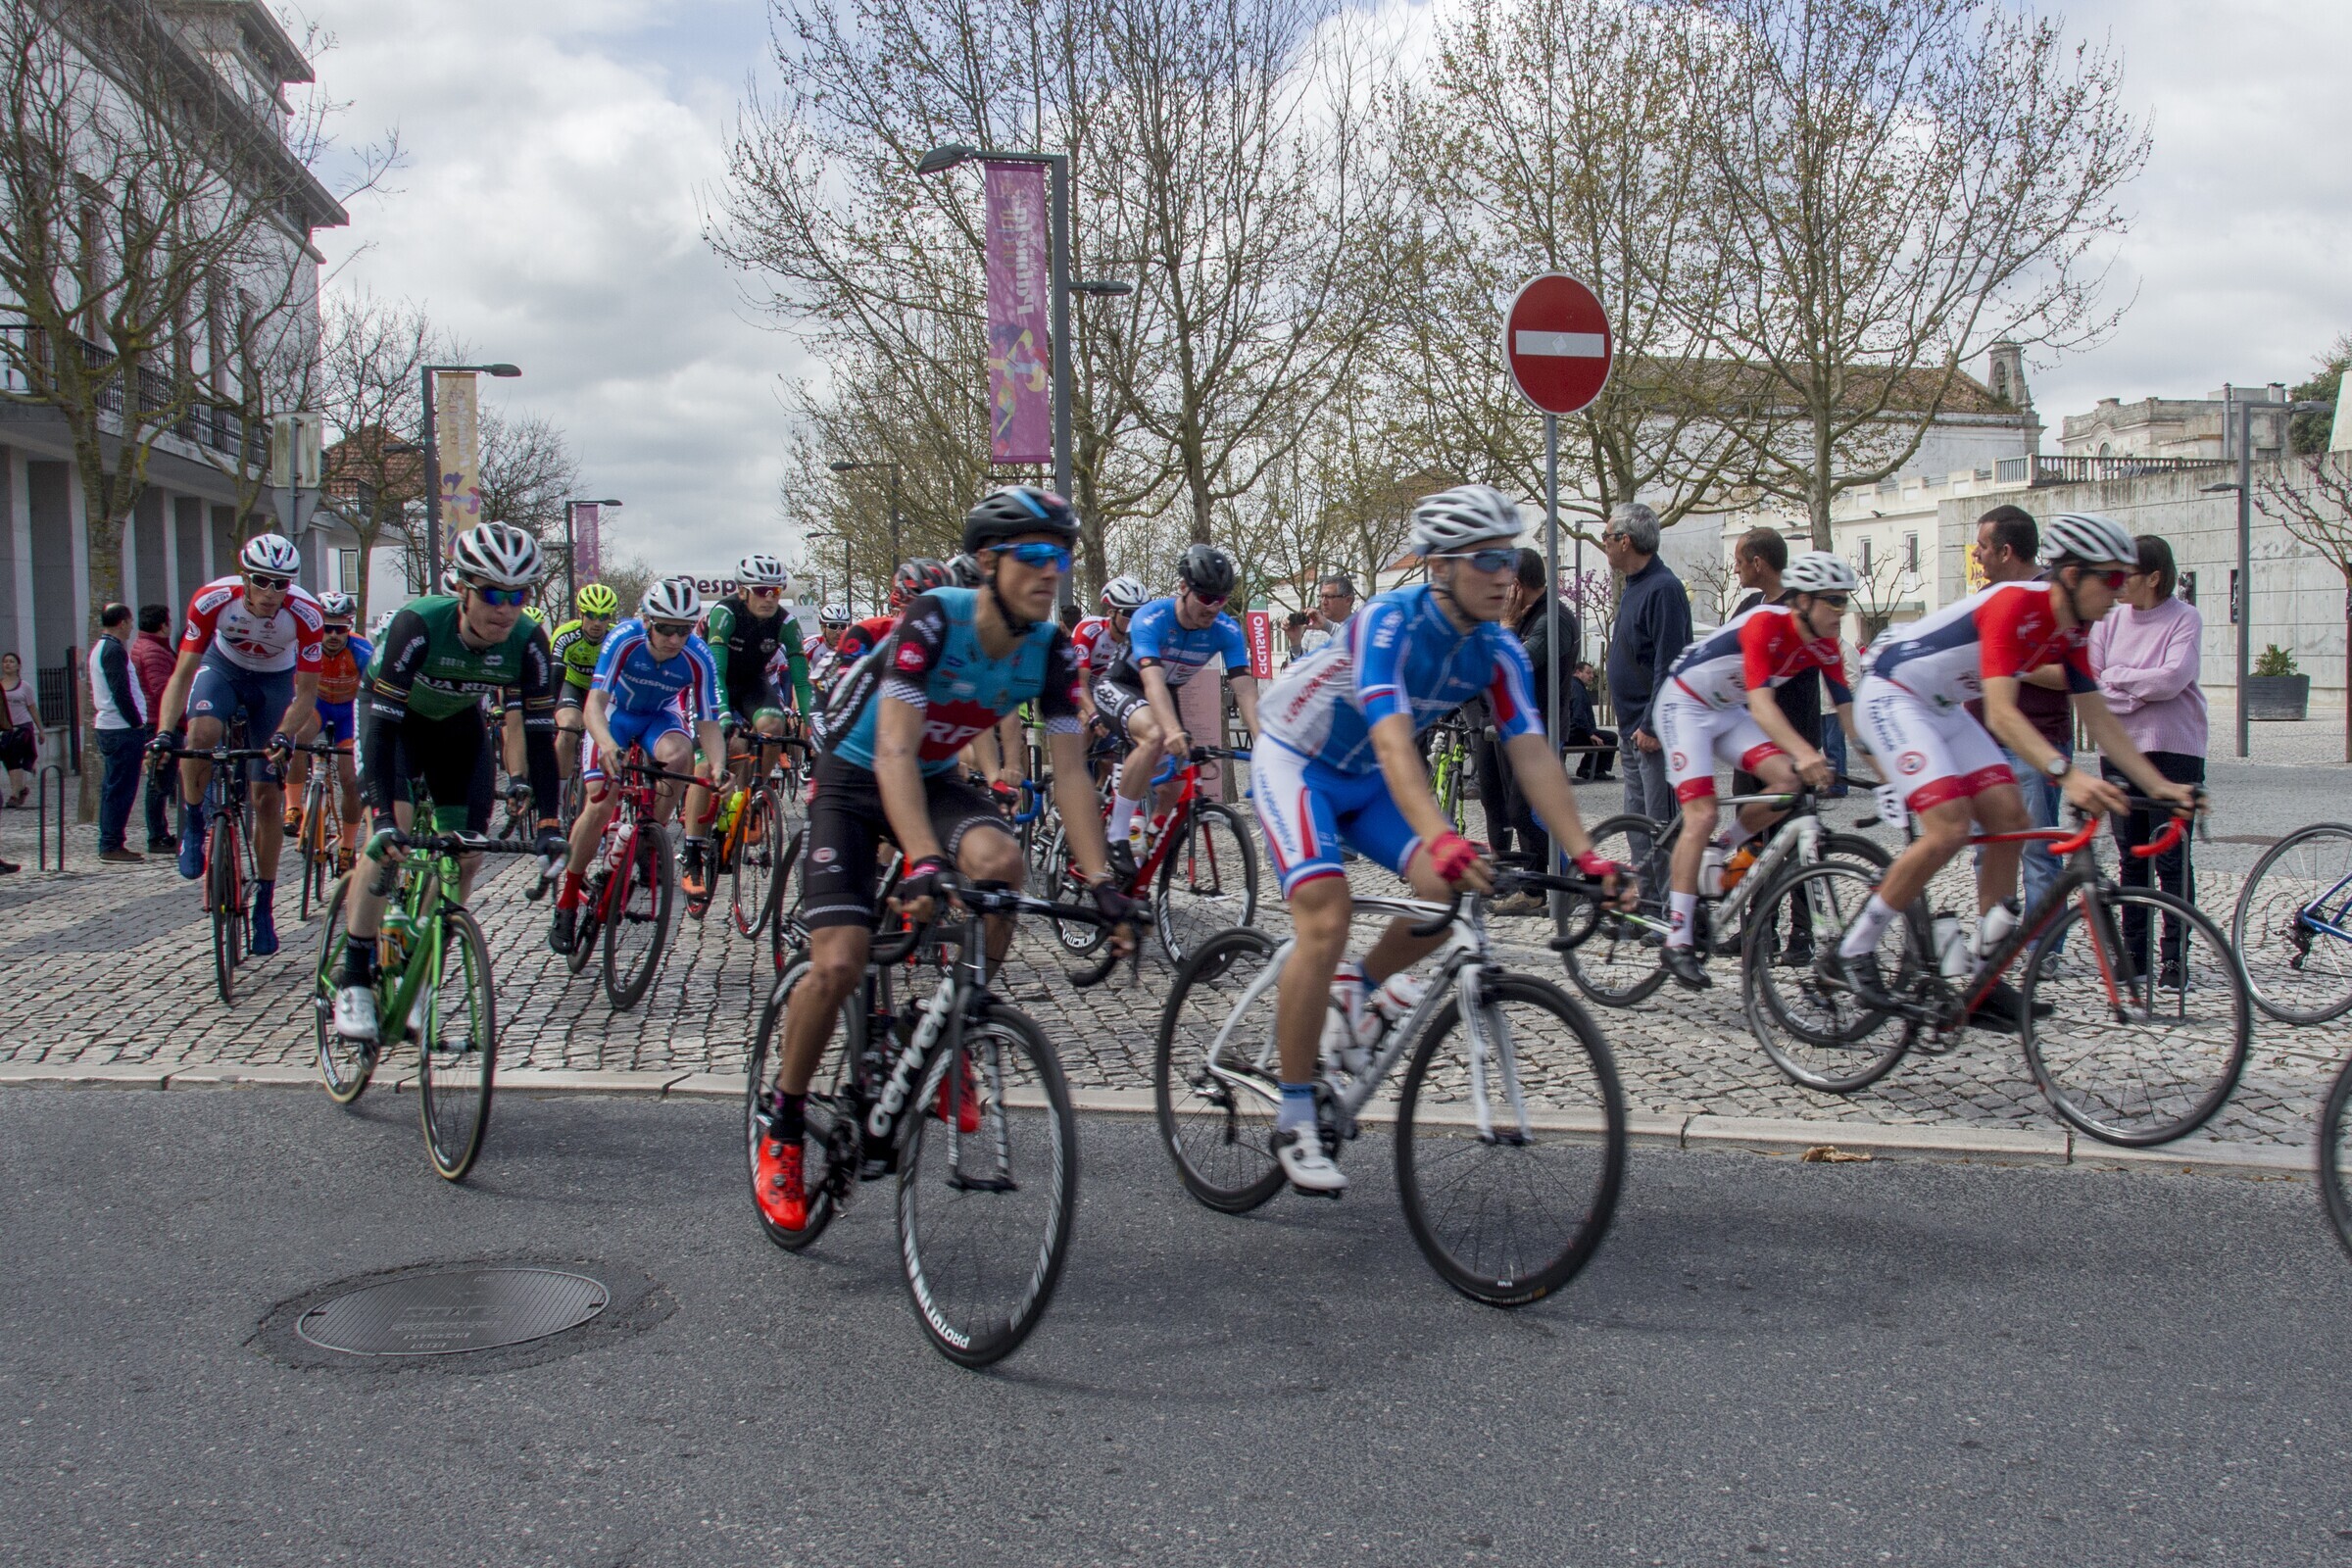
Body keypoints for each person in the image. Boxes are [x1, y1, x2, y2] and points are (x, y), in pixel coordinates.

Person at [750, 485, 1137, 1231]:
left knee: (1002, 866)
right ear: (989, 561)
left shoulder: (1052, 649)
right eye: (1033, 554)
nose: (1051, 570)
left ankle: (954, 1022)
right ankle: (786, 1124)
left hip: (932, 778)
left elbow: (1069, 775)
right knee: (839, 959)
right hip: (858, 776)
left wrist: (1103, 884)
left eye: (1061, 556)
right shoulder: (936, 619)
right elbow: (892, 748)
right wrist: (924, 860)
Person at [1251, 485, 1626, 1194]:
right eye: (1484, 560)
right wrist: (1441, 833)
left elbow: (1534, 755)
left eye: (1508, 559)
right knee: (1326, 914)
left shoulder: (1496, 648)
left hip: (1364, 780)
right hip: (1299, 760)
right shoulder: (1386, 623)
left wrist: (1589, 853)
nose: (1503, 575)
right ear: (1441, 566)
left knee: (1448, 883)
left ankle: (1358, 991)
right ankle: (1295, 1113)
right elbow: (1395, 745)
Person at [1826, 512, 2200, 1020]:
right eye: (2111, 578)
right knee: (1950, 825)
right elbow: (2002, 714)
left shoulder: (2072, 630)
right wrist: (2067, 775)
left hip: (1942, 705)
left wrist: (2162, 786)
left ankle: (1983, 975)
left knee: (2011, 819)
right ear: (2072, 576)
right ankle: (1853, 948)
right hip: (1893, 695)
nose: (2119, 592)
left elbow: (2100, 717)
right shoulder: (2012, 604)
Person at [331, 523, 566, 1040]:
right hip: (394, 722)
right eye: (492, 593)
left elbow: (540, 736)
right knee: (390, 836)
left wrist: (551, 822)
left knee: (468, 851)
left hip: (457, 725)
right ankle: (353, 977)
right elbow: (381, 729)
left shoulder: (528, 642)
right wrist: (383, 818)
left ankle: (419, 970)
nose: (505, 608)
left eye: (518, 595)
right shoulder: (418, 625)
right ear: (462, 587)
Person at [1649, 552, 1860, 989]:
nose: (1842, 611)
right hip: (1685, 702)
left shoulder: (1825, 647)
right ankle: (1678, 938)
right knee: (1701, 813)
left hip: (1726, 710)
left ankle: (1724, 853)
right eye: (1833, 601)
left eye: (1846, 602)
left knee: (1786, 782)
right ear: (1801, 601)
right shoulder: (1766, 622)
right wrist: (1806, 752)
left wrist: (1896, 772)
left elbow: (1851, 719)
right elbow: (1763, 707)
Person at [148, 533, 324, 957]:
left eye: (281, 584)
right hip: (222, 669)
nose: (271, 593)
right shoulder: (212, 599)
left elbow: (305, 694)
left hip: (274, 683)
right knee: (201, 735)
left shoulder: (305, 613)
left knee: (266, 796)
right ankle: (194, 822)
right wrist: (164, 732)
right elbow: (182, 675)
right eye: (262, 581)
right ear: (245, 577)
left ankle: (264, 903)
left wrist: (284, 735)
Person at [545, 576, 727, 956]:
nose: (675, 639)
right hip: (616, 714)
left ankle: (648, 835)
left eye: (683, 630)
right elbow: (594, 704)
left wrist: (718, 767)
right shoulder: (624, 639)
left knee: (680, 756)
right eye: (665, 628)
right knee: (600, 802)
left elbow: (708, 721)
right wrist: (608, 744)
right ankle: (566, 900)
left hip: (659, 716)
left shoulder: (698, 654)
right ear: (647, 621)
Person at [1094, 544, 1263, 880]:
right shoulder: (1152, 618)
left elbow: (1244, 688)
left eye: (1222, 599)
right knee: (1156, 735)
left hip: (1164, 692)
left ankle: (1147, 848)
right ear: (1184, 588)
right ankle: (1117, 834)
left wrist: (1263, 741)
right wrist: (1171, 731)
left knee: (1173, 789)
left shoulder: (1226, 629)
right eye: (1206, 598)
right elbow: (1152, 682)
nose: (1213, 608)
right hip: (1126, 684)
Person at [2087, 533, 2207, 984]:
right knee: (2132, 856)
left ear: (2154, 577)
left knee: (2173, 857)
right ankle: (2132, 954)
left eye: (2127, 574)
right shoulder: (2109, 622)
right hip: (2119, 749)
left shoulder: (2185, 618)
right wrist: (2135, 691)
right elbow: (2093, 686)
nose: (2116, 583)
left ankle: (2175, 957)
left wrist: (2121, 682)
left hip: (2174, 749)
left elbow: (2173, 680)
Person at [1965, 505, 2075, 969]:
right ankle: (1996, 945)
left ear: (2006, 551)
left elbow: (2069, 675)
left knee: (2037, 850)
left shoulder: (2050, 598)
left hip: (2033, 740)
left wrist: (2009, 661)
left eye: (1984, 547)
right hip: (1980, 742)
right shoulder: (1986, 597)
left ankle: (2042, 950)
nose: (1978, 555)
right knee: (1985, 849)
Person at [685, 555, 814, 913]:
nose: (769, 597)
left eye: (775, 590)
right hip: (714, 682)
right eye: (761, 590)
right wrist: (723, 715)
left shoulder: (785, 622)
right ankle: (693, 852)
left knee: (773, 724)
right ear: (743, 592)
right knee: (715, 757)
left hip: (753, 686)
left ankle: (755, 795)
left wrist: (809, 719)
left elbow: (801, 678)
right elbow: (715, 674)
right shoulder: (724, 615)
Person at [1602, 501, 1692, 824]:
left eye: (1607, 536)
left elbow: (1670, 662)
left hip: (1651, 731)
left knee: (1660, 827)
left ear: (1625, 540)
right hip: (1632, 729)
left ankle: (1667, 878)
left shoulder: (1663, 589)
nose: (1604, 545)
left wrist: (1652, 724)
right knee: (1638, 827)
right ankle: (1645, 878)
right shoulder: (1634, 587)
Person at [283, 592, 370, 872]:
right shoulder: (303, 647)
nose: (333, 635)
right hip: (317, 706)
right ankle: (293, 808)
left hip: (348, 712)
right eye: (326, 628)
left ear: (349, 626)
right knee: (297, 737)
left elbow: (374, 694)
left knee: (349, 779)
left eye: (340, 629)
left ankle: (347, 847)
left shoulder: (362, 651)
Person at [88, 603, 148, 863]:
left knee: (115, 785)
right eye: (130, 621)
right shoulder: (113, 650)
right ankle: (111, 842)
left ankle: (111, 839)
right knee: (121, 788)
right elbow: (120, 690)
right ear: (122, 622)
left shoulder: (101, 648)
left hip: (112, 726)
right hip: (120, 728)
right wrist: (136, 722)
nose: (132, 626)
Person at [549, 581, 619, 785]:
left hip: (602, 690)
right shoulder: (564, 635)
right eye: (591, 615)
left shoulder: (616, 638)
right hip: (571, 686)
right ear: (581, 613)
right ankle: (558, 797)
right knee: (569, 728)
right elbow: (555, 676)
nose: (597, 623)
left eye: (604, 617)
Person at [130, 606, 177, 852]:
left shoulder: (148, 646)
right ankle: (158, 835)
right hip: (159, 722)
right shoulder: (153, 651)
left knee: (160, 781)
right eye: (169, 621)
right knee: (160, 782)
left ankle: (160, 832)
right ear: (163, 625)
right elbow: (162, 689)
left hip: (156, 719)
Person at [1565, 661, 1614, 781]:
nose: (1591, 676)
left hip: (1569, 732)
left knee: (1602, 737)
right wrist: (1591, 734)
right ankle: (1594, 769)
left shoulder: (1573, 686)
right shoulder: (1577, 688)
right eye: (1588, 673)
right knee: (1610, 738)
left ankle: (1586, 767)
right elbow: (1578, 715)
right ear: (1577, 672)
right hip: (1574, 733)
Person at [0, 650, 37, 808]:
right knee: (7, 760)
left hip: (23, 727)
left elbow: (32, 708)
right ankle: (20, 789)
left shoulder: (25, 687)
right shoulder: (0, 685)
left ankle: (14, 795)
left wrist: (40, 730)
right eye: (5, 661)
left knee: (15, 757)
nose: (8, 664)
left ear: (18, 666)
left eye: (11, 661)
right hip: (6, 728)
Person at [1315, 572, 1357, 637]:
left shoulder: (1361, 627)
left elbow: (1349, 640)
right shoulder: (1313, 629)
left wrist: (1327, 626)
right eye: (1321, 596)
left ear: (1348, 600)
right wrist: (1296, 643)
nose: (1323, 602)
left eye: (1329, 596)